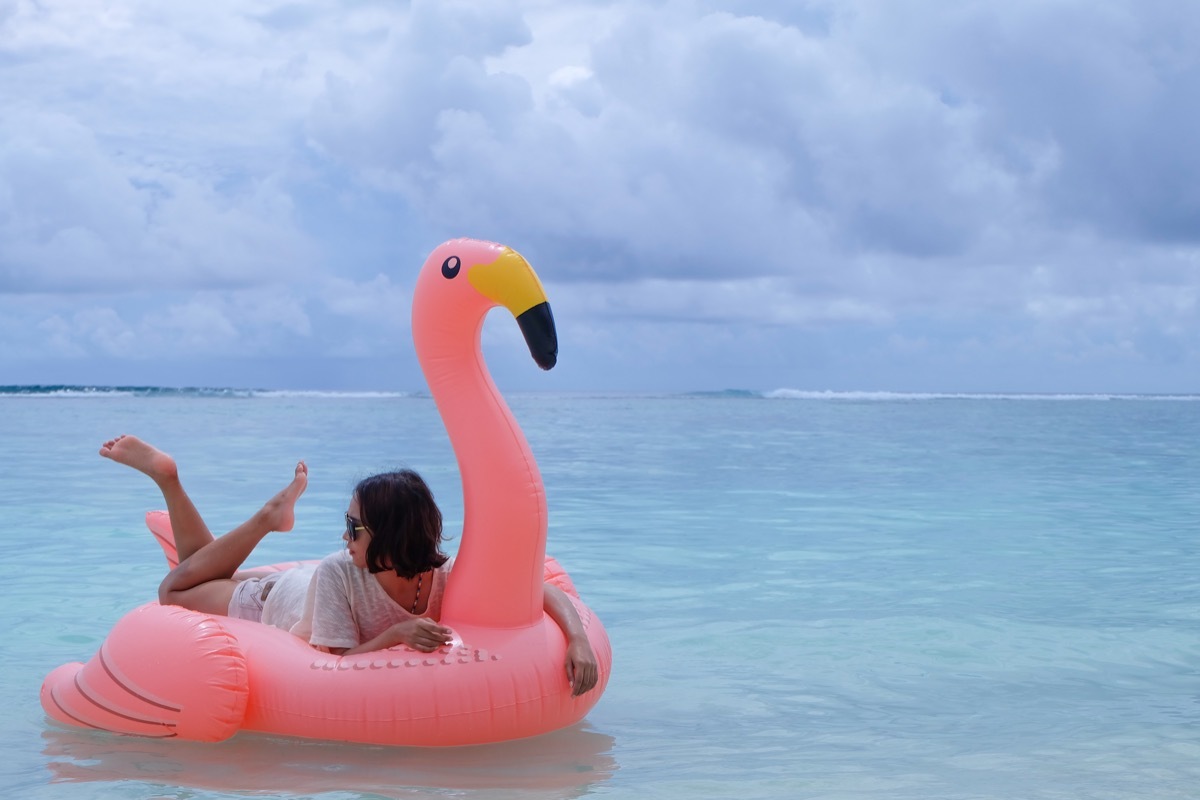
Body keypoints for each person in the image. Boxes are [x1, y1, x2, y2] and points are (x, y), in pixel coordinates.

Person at [99, 434, 599, 696]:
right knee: (177, 590)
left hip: (304, 587)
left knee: (208, 572)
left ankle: (183, 488)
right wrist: (398, 637)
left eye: (355, 527)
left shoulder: (445, 573)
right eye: (348, 524)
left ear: (392, 535)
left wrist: (576, 638)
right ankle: (236, 505)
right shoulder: (342, 568)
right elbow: (330, 661)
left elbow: (539, 591)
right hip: (277, 603)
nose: (345, 535)